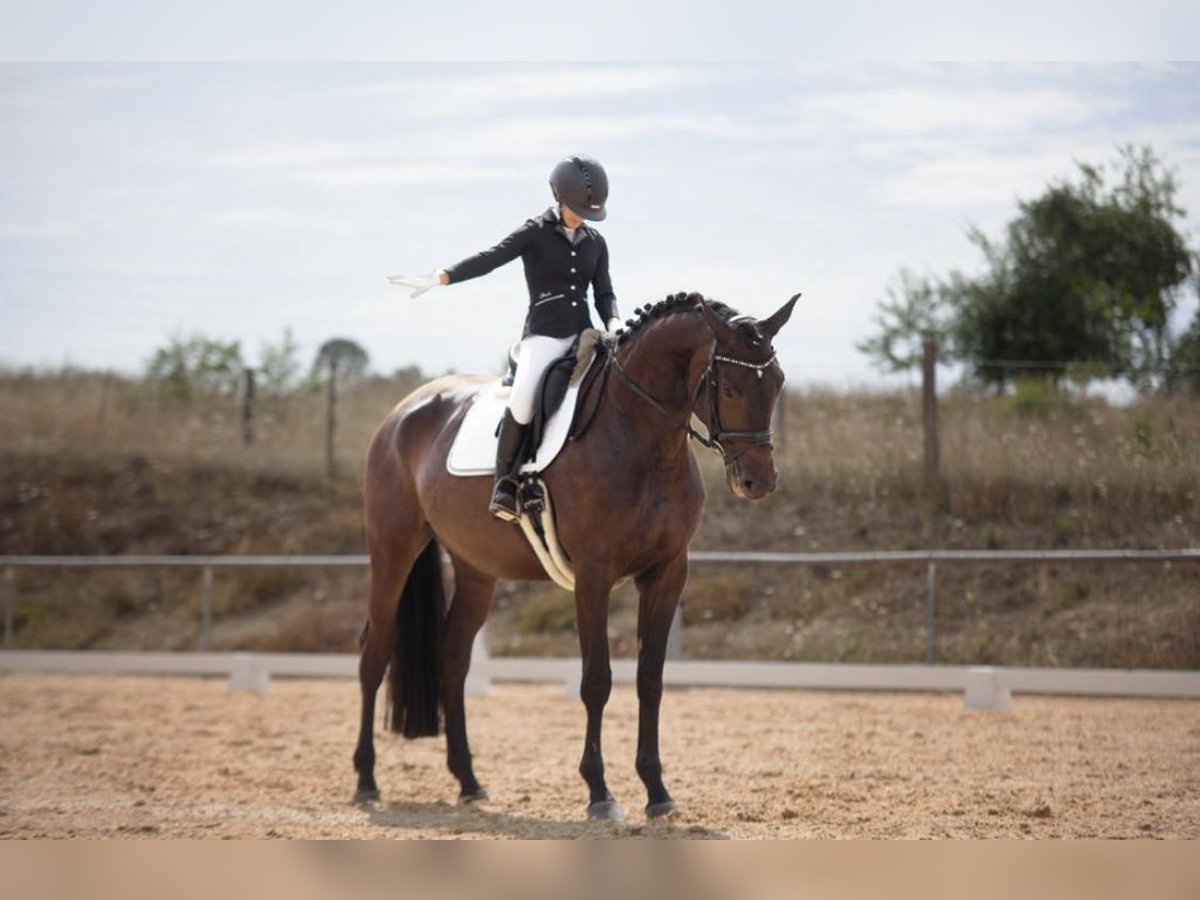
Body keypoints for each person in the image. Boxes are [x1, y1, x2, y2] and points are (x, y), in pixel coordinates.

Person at [389, 155, 621, 522]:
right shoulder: (535, 233)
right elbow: (492, 258)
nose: (582, 218)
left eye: (588, 214)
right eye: (577, 210)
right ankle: (509, 482)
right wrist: (443, 277)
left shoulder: (596, 242)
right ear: (558, 196)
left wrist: (613, 322)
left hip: (585, 336)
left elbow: (603, 291)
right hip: (543, 335)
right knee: (525, 398)